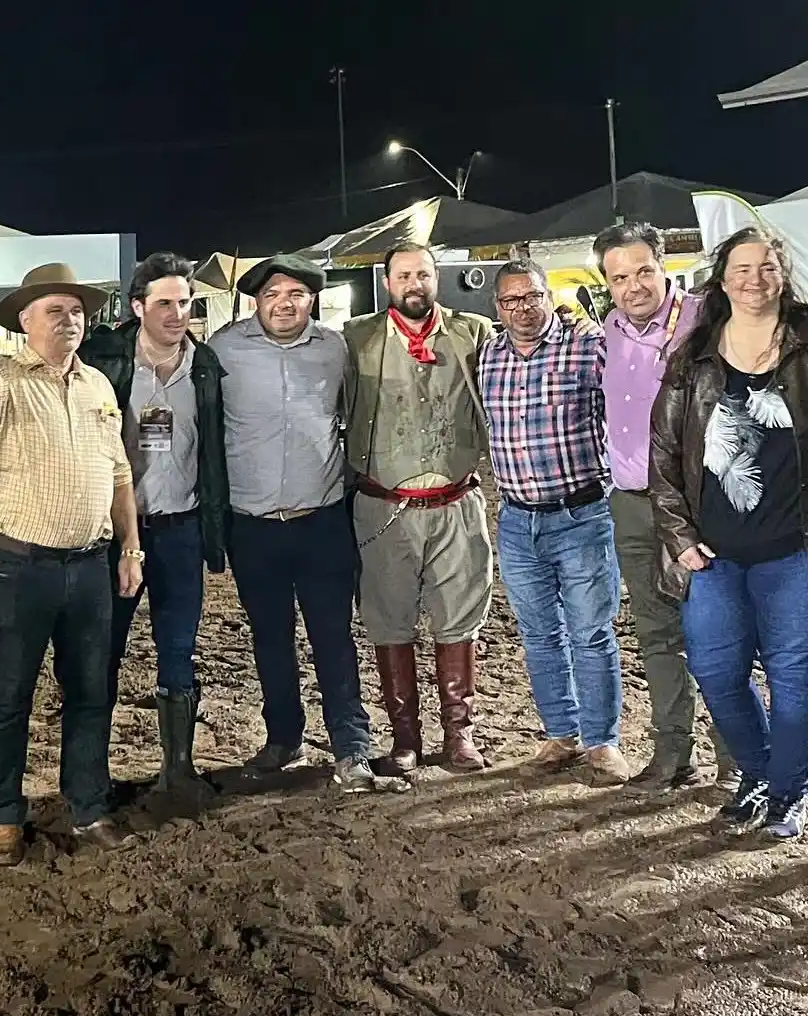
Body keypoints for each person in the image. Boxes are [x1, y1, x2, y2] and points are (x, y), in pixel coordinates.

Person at [0, 256, 144, 867]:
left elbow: (119, 472)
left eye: (77, 310)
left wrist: (129, 546)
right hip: (19, 564)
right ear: (24, 319)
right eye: (55, 310)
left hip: (89, 565)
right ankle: (6, 814)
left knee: (90, 691)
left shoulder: (98, 386)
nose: (70, 320)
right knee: (9, 696)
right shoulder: (4, 377)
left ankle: (87, 804)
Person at [209, 252, 409, 794]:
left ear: (312, 299)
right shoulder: (224, 350)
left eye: (295, 294)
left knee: (333, 637)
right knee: (269, 637)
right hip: (251, 524)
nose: (284, 303)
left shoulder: (334, 348)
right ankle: (283, 737)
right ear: (256, 301)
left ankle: (352, 745)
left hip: (321, 520)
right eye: (273, 294)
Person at [649, 225, 808, 840]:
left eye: (767, 267)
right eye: (742, 268)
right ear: (721, 278)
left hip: (792, 553)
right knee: (717, 672)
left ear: (782, 274)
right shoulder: (693, 357)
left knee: (795, 680)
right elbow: (662, 456)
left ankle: (789, 791)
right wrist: (679, 537)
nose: (754, 279)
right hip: (710, 557)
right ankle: (760, 773)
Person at [77, 252, 229, 796]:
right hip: (114, 534)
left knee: (178, 647)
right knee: (102, 651)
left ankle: (178, 769)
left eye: (184, 302)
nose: (175, 313)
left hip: (182, 530)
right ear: (137, 306)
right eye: (163, 302)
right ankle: (93, 775)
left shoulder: (206, 365)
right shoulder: (103, 361)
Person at [594, 223, 738, 792]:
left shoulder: (705, 322)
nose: (633, 286)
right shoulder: (609, 331)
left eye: (643, 270)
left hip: (699, 508)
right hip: (630, 503)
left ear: (664, 266)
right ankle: (673, 754)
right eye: (619, 276)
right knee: (656, 635)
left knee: (718, 633)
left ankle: (738, 757)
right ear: (606, 283)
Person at [342, 243, 495, 774]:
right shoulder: (355, 338)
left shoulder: (473, 333)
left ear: (437, 278)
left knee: (459, 619)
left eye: (424, 274)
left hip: (457, 500)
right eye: (404, 275)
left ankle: (460, 734)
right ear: (387, 282)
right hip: (384, 507)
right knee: (390, 621)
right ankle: (405, 737)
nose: (415, 283)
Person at [479, 258, 630, 783]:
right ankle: (559, 735)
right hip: (519, 521)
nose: (523, 308)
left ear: (550, 297)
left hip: (582, 514)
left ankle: (602, 740)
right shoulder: (489, 355)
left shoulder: (587, 347)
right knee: (540, 634)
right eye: (511, 300)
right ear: (496, 308)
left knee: (591, 633)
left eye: (532, 296)